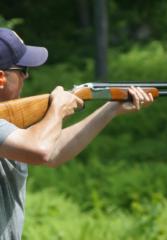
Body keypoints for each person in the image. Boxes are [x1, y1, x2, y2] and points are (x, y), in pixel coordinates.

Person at [0, 28, 154, 239]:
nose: (26, 76)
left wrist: (110, 109)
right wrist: (58, 109)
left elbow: (52, 152)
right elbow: (40, 150)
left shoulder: (8, 126)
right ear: (1, 77)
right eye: (23, 69)